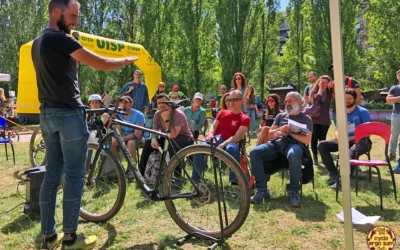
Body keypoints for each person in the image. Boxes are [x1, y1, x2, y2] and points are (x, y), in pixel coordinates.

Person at [31, 0, 137, 249]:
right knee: (76, 176)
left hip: (47, 114)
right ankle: (70, 238)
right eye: (72, 16)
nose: (75, 21)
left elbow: (60, 73)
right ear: (56, 12)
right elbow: (100, 62)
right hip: (68, 115)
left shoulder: (38, 42)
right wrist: (126, 60)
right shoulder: (60, 39)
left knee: (52, 175)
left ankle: (48, 234)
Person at [249, 92, 313, 207]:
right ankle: (262, 190)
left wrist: (291, 132)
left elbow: (307, 140)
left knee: (295, 153)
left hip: (294, 144)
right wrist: (279, 130)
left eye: (290, 101)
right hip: (277, 144)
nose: (287, 103)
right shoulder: (280, 116)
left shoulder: (306, 119)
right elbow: (269, 133)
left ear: (299, 102)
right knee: (254, 152)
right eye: (286, 101)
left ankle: (294, 191)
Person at [192, 90, 250, 183]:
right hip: (216, 139)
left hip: (231, 141)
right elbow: (213, 127)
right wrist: (211, 135)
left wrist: (223, 144)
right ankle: (196, 180)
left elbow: (237, 137)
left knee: (233, 148)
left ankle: (234, 181)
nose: (231, 102)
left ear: (241, 101)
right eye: (230, 100)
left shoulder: (245, 118)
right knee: (201, 147)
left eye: (234, 100)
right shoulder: (222, 113)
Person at [318, 88, 372, 188]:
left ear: (355, 99)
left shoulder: (363, 112)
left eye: (350, 98)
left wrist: (348, 139)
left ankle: (342, 182)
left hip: (362, 141)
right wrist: (338, 136)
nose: (347, 100)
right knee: (322, 145)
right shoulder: (341, 112)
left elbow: (366, 132)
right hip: (345, 140)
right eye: (345, 98)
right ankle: (334, 173)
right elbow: (338, 128)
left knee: (351, 152)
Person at [139, 93, 194, 175]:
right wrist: (154, 139)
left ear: (169, 102)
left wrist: (166, 120)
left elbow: (174, 135)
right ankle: (141, 174)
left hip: (185, 138)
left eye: (163, 102)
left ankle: (177, 176)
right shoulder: (157, 114)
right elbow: (155, 130)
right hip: (168, 138)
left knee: (171, 144)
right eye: (158, 103)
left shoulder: (178, 113)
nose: (161, 105)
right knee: (148, 143)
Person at [308, 75, 333, 165]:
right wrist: (320, 89)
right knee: (314, 137)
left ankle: (323, 156)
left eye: (326, 82)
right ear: (318, 83)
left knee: (322, 139)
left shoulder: (330, 92)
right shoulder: (314, 91)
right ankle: (315, 156)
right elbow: (317, 98)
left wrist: (332, 86)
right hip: (314, 119)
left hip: (325, 120)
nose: (323, 84)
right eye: (322, 82)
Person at [385, 69, 400, 173]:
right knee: (393, 136)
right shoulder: (394, 88)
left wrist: (396, 99)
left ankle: (399, 164)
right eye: (399, 75)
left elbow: (392, 99)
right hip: (396, 115)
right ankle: (392, 155)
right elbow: (388, 100)